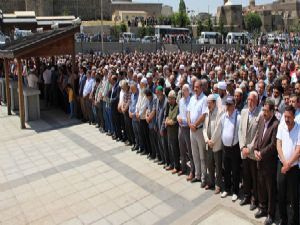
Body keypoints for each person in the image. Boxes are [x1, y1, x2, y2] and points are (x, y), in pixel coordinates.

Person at [253, 98, 279, 225]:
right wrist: (256, 150)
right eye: (263, 110)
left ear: (273, 111)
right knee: (261, 186)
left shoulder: (276, 124)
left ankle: (270, 214)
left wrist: (261, 154)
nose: (264, 113)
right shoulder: (262, 120)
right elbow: (259, 136)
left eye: (267, 111)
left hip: (269, 163)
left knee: (270, 189)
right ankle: (262, 208)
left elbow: (273, 145)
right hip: (260, 160)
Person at [276, 105, 300, 225]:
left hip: (294, 167)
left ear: (294, 116)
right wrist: (285, 163)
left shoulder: (299, 128)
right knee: (281, 194)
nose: (286, 119)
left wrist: (289, 164)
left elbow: (298, 150)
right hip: (282, 165)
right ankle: (283, 219)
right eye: (285, 116)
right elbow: (278, 145)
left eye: (288, 117)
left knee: (294, 196)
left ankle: (295, 220)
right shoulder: (282, 126)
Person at [238, 91, 261, 211]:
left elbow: (258, 134)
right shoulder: (243, 111)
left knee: (254, 177)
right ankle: (247, 196)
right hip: (244, 151)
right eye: (248, 100)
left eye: (252, 100)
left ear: (256, 101)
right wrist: (242, 147)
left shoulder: (260, 114)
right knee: (246, 176)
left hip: (252, 152)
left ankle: (254, 199)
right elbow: (240, 131)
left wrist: (249, 148)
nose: (250, 102)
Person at [187, 80, 208, 187]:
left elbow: (204, 115)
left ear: (201, 88)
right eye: (194, 87)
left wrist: (195, 124)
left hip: (199, 130)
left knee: (202, 155)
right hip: (192, 130)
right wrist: (190, 123)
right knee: (195, 154)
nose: (195, 89)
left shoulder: (204, 99)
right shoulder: (192, 98)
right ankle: (197, 175)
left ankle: (204, 178)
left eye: (197, 87)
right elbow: (188, 112)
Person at [220, 96, 241, 202]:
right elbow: (222, 129)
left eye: (229, 104)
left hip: (234, 148)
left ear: (234, 105)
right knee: (226, 169)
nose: (227, 106)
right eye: (226, 104)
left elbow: (240, 133)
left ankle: (236, 191)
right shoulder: (224, 116)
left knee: (235, 170)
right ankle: (227, 189)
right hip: (225, 148)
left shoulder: (238, 117)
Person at [203, 94, 223, 194]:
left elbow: (218, 128)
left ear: (214, 103)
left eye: (209, 103)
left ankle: (218, 185)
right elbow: (204, 128)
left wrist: (212, 141)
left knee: (218, 166)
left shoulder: (219, 112)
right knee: (209, 164)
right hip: (208, 144)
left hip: (216, 144)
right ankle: (211, 182)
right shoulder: (207, 112)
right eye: (207, 103)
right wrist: (207, 139)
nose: (208, 104)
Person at [177, 84, 194, 181]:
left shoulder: (191, 101)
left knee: (190, 150)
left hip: (187, 128)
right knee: (182, 148)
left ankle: (193, 171)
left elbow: (189, 115)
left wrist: (182, 119)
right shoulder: (180, 101)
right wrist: (177, 117)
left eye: (184, 90)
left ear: (188, 91)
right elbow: (180, 112)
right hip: (181, 127)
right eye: (182, 90)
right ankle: (183, 168)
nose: (183, 92)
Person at [165, 90, 180, 174]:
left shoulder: (177, 107)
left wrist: (167, 121)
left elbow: (173, 120)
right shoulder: (170, 106)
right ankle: (172, 164)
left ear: (174, 99)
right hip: (169, 132)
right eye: (169, 98)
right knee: (170, 149)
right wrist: (167, 120)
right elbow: (168, 117)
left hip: (174, 132)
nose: (170, 100)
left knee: (175, 150)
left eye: (171, 99)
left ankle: (176, 166)